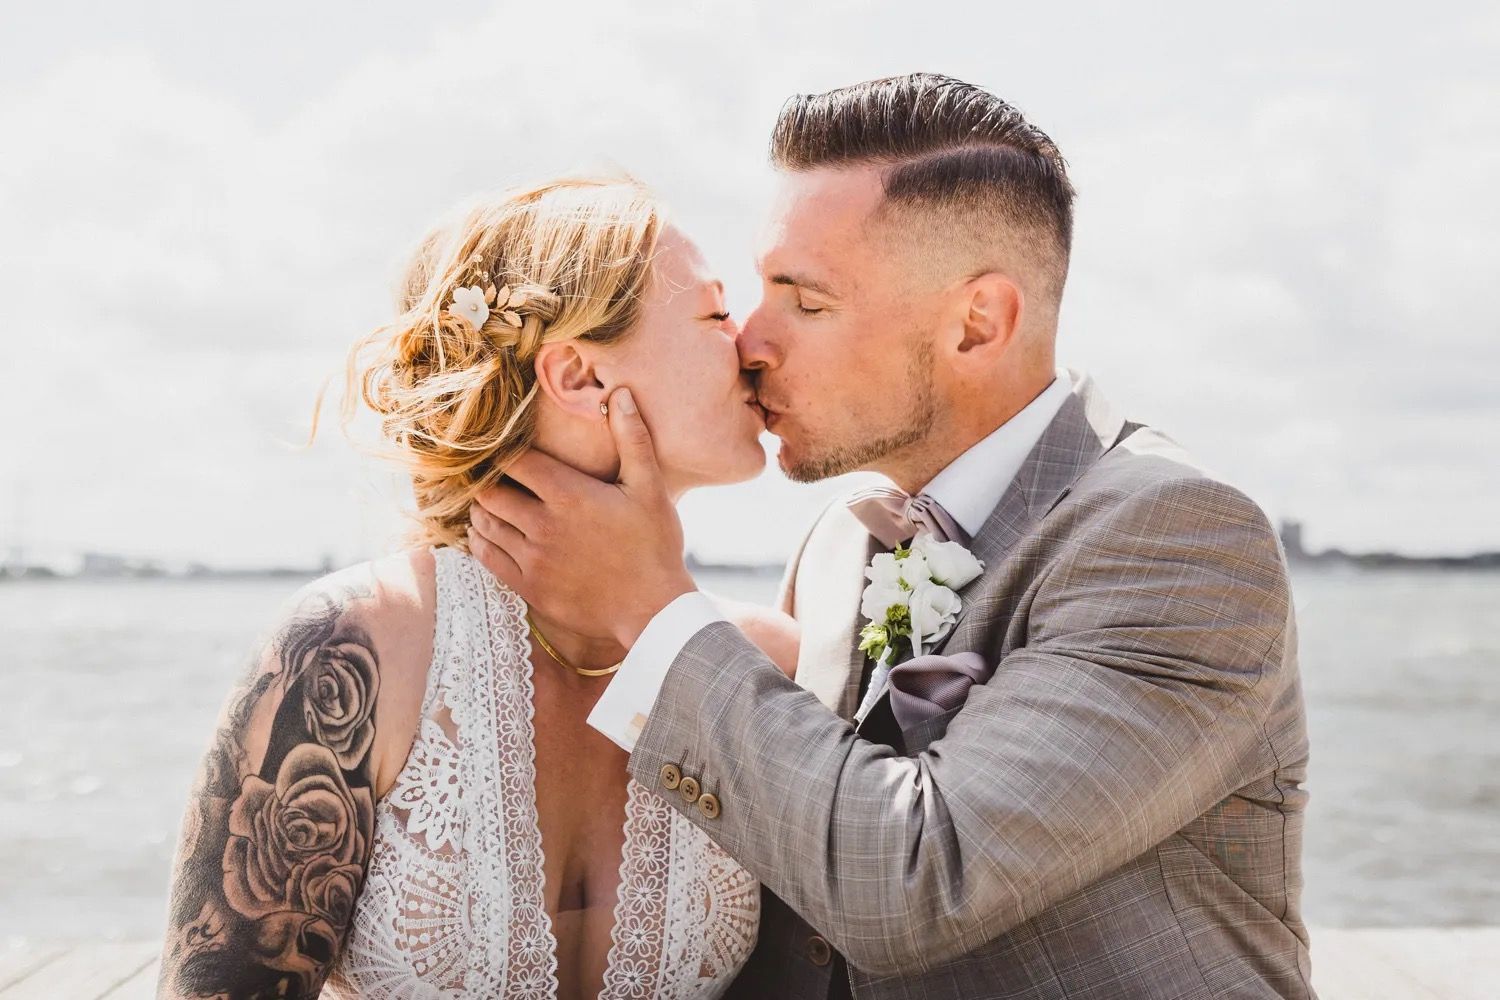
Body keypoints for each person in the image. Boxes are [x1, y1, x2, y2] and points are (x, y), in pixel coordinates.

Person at [467, 74, 1315, 998]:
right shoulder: (838, 542)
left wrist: (650, 609)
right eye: (760, 290)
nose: (750, 341)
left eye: (807, 301)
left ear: (976, 325)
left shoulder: (1176, 541)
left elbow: (915, 879)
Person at [158, 176, 794, 999]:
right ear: (579, 376)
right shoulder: (357, 646)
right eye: (715, 314)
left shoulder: (771, 661)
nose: (751, 344)